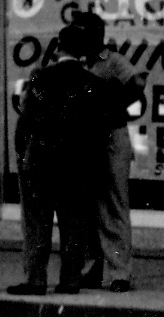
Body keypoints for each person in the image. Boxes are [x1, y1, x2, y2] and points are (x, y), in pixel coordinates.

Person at [9, 21, 109, 294]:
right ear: (83, 52)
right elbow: (98, 131)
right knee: (73, 223)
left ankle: (36, 278)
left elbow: (26, 120)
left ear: (58, 47)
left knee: (37, 223)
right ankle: (71, 278)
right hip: (76, 165)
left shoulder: (41, 76)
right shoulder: (93, 84)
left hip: (42, 160)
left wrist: (23, 155)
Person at [81, 16, 143, 294]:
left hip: (112, 134)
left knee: (115, 204)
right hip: (90, 137)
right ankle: (90, 269)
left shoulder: (113, 60)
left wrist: (111, 102)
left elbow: (137, 83)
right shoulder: (80, 62)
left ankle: (120, 272)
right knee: (89, 206)